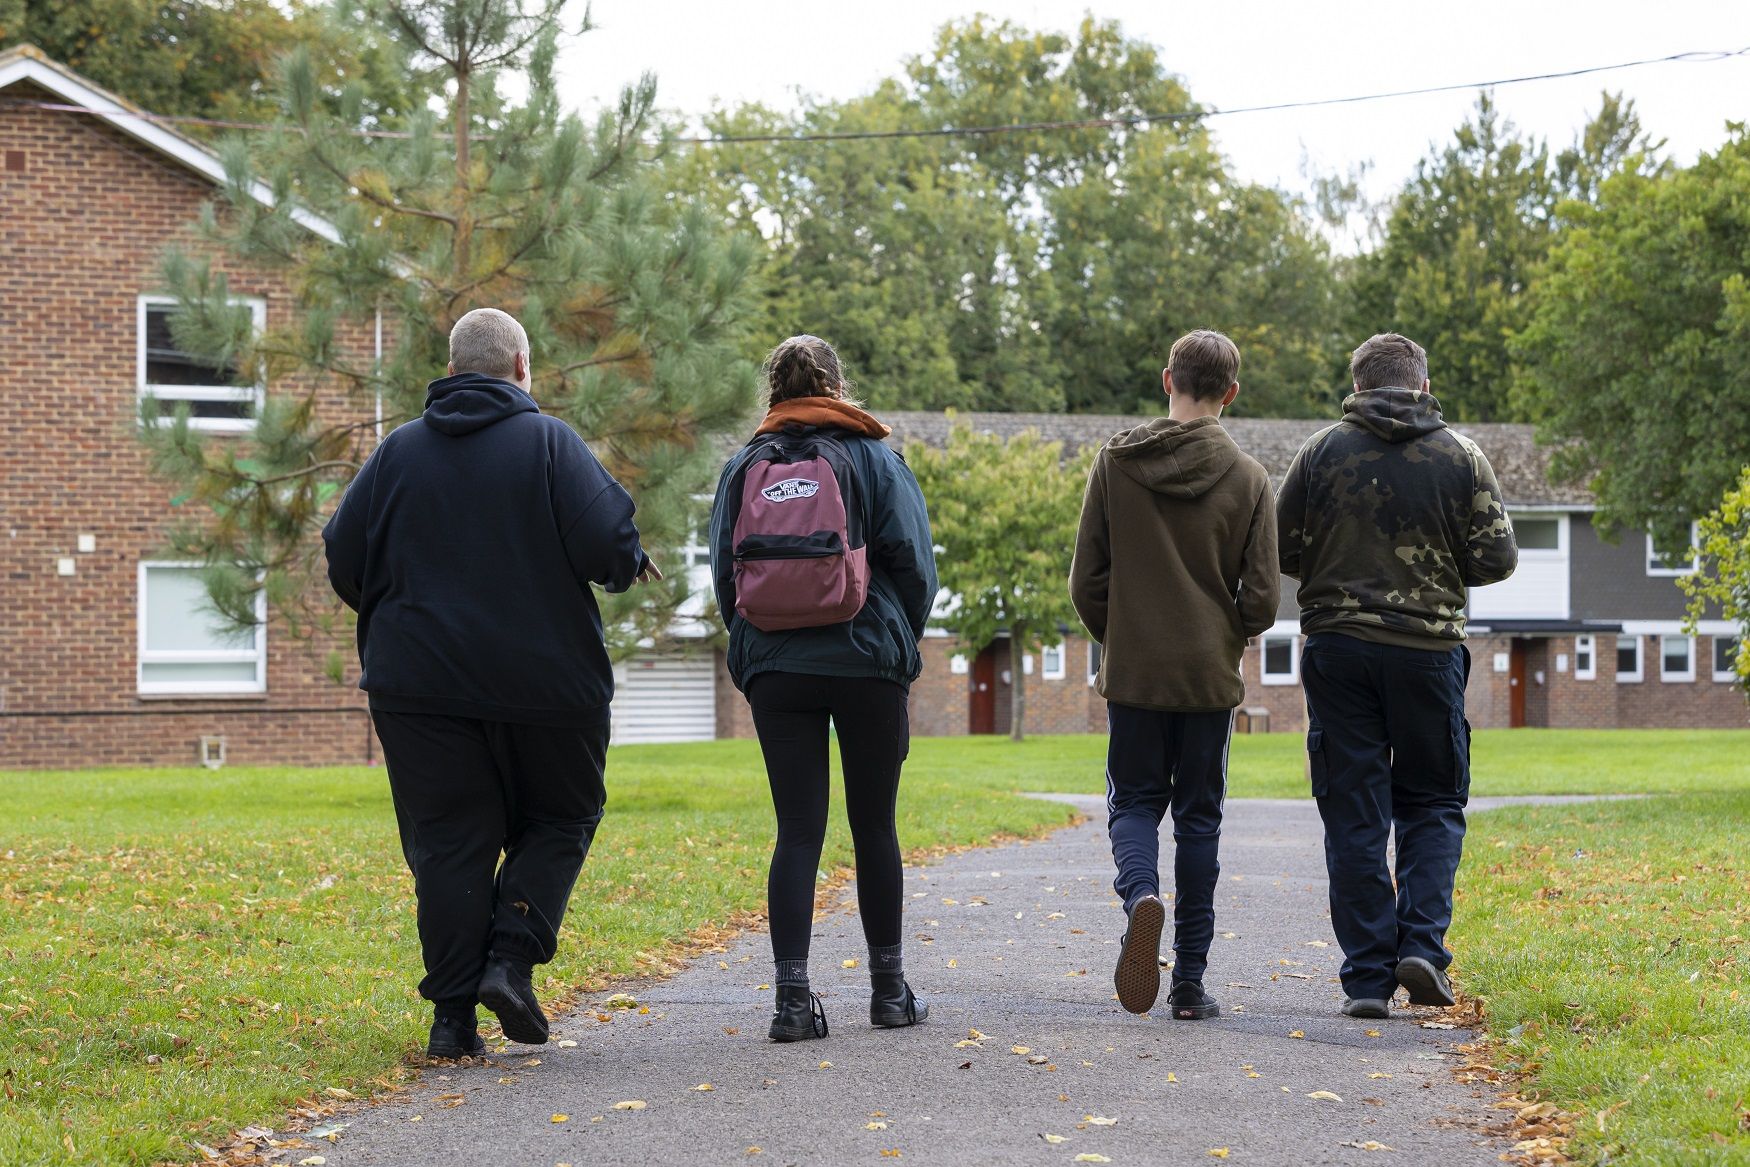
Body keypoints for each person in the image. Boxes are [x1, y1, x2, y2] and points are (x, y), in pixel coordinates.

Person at [323, 307, 658, 1059]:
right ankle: (510, 959)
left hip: (419, 688)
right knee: (564, 813)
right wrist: (628, 561)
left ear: (451, 369)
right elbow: (609, 543)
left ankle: (451, 1024)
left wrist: (404, 618)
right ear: (520, 367)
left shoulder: (396, 454)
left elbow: (343, 558)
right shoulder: (550, 443)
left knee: (448, 843)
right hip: (546, 686)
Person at [1275, 332, 1518, 1019]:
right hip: (1427, 650)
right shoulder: (1461, 457)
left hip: (1339, 648)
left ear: (1356, 385)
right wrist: (1438, 566)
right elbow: (1497, 559)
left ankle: (1365, 977)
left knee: (1354, 810)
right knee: (1433, 801)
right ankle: (1422, 947)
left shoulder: (1321, 453)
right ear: (1423, 381)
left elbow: (1281, 544)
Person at [708, 334, 938, 1042]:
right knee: (875, 826)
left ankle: (790, 999)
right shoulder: (873, 457)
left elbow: (727, 575)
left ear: (772, 391)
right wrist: (899, 638)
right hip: (867, 659)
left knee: (798, 830)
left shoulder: (746, 464)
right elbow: (915, 565)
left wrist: (759, 646)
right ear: (838, 386)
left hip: (778, 668)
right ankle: (889, 991)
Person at [1069, 329, 1279, 1019]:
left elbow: (1086, 579)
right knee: (1199, 820)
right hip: (1206, 679)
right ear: (1232, 392)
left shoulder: (1117, 462)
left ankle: (1140, 898)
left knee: (1131, 802)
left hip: (1135, 673)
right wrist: (1224, 638)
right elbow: (1264, 600)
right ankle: (1188, 982)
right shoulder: (1249, 479)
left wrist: (1124, 637)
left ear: (1168, 380)